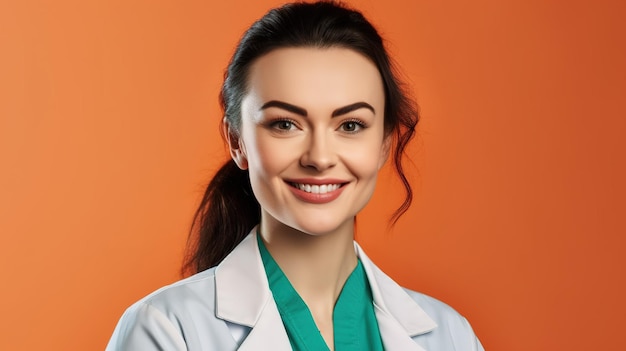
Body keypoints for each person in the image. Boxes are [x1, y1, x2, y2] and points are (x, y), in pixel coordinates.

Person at [106, 1, 484, 350]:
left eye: (350, 125)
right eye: (285, 124)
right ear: (236, 140)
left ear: (385, 142)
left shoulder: (449, 335)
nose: (319, 158)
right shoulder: (167, 330)